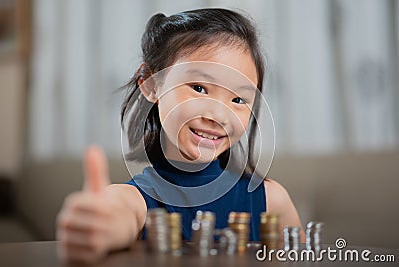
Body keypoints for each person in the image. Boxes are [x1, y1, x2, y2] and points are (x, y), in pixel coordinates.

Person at [56, 8, 303, 263]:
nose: (218, 115)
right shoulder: (135, 201)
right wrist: (99, 224)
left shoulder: (272, 200)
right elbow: (117, 213)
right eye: (199, 88)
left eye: (238, 99)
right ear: (151, 84)